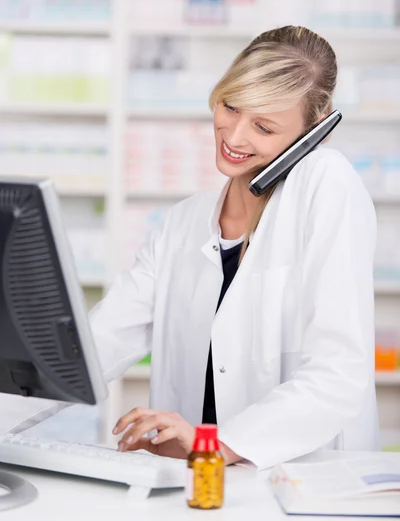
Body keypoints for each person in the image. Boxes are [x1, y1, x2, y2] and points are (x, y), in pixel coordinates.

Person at [4, 26, 380, 469]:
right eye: (231, 105)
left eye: (263, 126)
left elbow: (337, 373)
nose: (234, 136)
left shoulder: (326, 183)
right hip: (195, 485)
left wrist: (214, 444)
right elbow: (97, 345)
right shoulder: (182, 223)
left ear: (311, 135)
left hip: (301, 485)